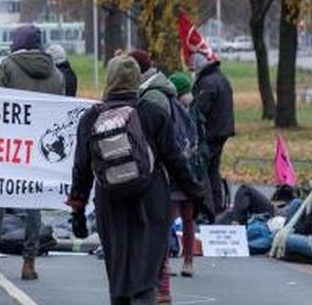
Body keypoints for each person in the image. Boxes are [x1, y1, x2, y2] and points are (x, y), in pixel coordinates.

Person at [69, 55, 212, 305]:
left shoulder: (90, 119)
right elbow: (176, 161)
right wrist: (199, 196)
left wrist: (78, 214)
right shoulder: (153, 113)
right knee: (146, 279)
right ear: (137, 81)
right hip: (151, 202)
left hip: (110, 203)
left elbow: (81, 171)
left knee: (119, 279)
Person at [0, 24, 64, 282]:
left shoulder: (8, 66)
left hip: (10, 144)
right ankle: (29, 262)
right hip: (39, 147)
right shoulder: (56, 74)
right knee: (34, 204)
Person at [167, 72, 206, 279]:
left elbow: (202, 140)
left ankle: (188, 258)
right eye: (185, 92)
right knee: (169, 217)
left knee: (189, 217)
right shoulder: (169, 112)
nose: (188, 96)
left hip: (190, 173)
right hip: (175, 173)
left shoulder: (193, 113)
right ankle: (165, 259)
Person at [191, 51, 234, 214]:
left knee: (205, 169)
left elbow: (199, 109)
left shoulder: (207, 83)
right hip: (222, 130)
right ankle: (217, 205)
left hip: (211, 132)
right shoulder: (220, 78)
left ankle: (209, 208)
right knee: (213, 169)